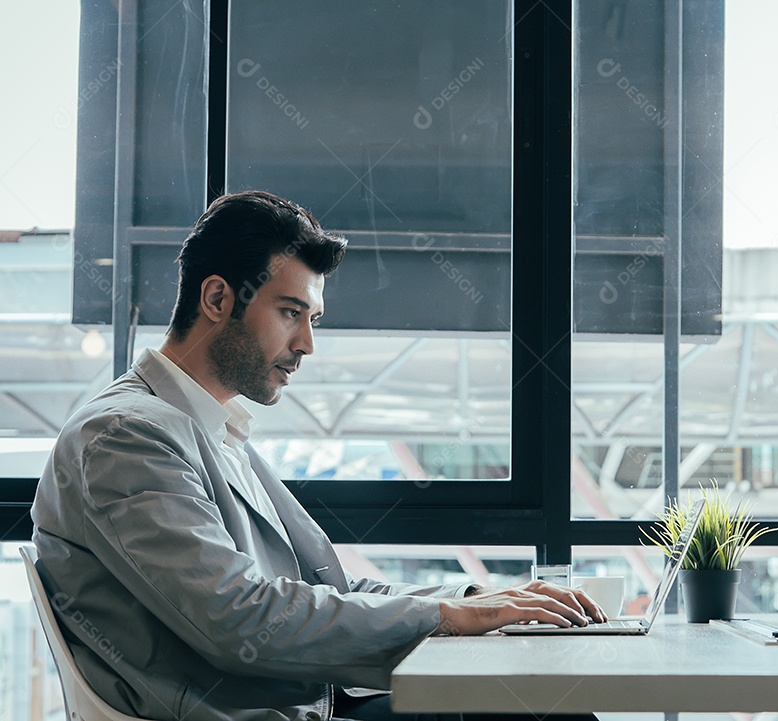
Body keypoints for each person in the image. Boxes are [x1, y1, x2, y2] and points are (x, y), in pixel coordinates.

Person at [31, 190, 605, 721]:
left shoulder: (210, 429)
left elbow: (326, 590)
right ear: (216, 298)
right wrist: (448, 618)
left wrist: (473, 599)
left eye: (312, 319)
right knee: (545, 707)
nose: (307, 343)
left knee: (545, 699)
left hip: (317, 705)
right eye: (289, 312)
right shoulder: (124, 436)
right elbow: (240, 619)